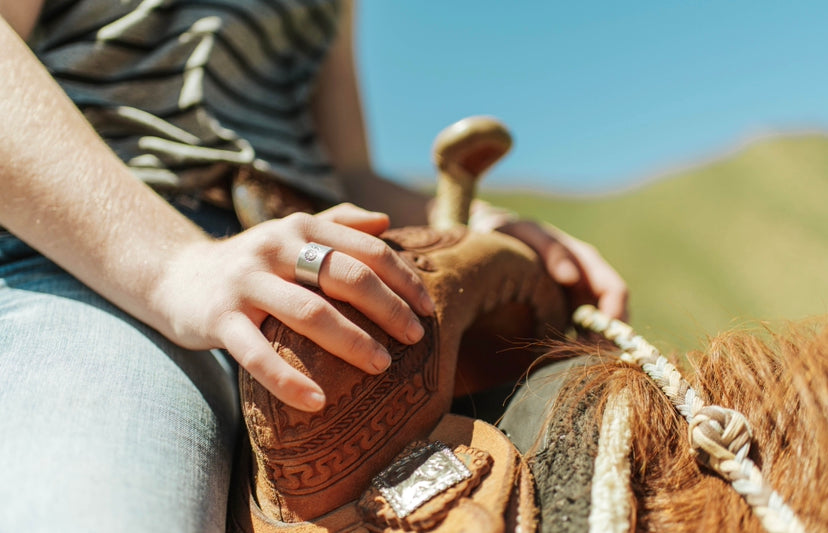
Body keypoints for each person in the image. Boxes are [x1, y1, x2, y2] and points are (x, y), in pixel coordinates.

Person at [0, 1, 628, 531]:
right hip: (96, 260)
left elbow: (347, 170)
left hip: (310, 268)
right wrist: (172, 265)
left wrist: (484, 224)